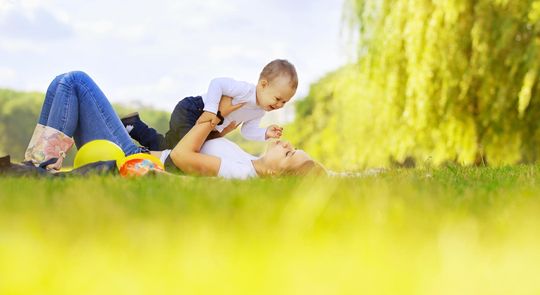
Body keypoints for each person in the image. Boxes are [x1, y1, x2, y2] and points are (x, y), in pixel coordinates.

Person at [22, 71, 325, 179]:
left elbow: (181, 157)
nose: (287, 144)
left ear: (274, 175)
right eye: (293, 148)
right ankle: (37, 165)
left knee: (74, 82)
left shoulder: (242, 173)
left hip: (132, 159)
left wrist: (214, 117)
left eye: (288, 154)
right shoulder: (248, 161)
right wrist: (220, 127)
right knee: (67, 82)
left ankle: (39, 167)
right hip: (139, 152)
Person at [123, 59, 298, 151]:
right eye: (277, 99)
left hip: (206, 125)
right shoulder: (245, 90)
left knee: (168, 148)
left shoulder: (259, 112)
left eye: (285, 102)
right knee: (184, 152)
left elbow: (247, 131)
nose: (280, 105)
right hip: (193, 110)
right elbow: (217, 83)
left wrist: (265, 133)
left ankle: (134, 126)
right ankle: (136, 133)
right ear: (263, 85)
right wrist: (210, 110)